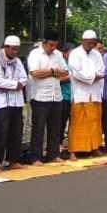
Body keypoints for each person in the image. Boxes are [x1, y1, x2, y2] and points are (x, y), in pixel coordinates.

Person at [26, 31, 69, 164]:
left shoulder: (57, 54)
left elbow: (65, 72)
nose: (53, 48)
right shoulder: (35, 54)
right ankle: (36, 157)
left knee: (55, 127)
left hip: (56, 95)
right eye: (50, 45)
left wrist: (51, 72)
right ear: (44, 43)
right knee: (38, 128)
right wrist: (52, 71)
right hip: (39, 96)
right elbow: (35, 73)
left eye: (55, 45)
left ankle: (53, 155)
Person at [0, 36, 27, 171]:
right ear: (6, 47)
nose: (15, 52)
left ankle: (13, 160)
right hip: (2, 102)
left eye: (17, 49)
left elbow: (24, 79)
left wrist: (14, 85)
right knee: (0, 132)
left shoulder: (18, 62)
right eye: (13, 49)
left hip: (16, 102)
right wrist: (15, 84)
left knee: (16, 131)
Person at [69, 30, 105, 157]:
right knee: (78, 122)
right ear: (82, 41)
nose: (91, 45)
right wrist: (92, 77)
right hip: (80, 93)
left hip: (94, 94)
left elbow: (101, 70)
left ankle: (94, 148)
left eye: (93, 43)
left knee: (95, 121)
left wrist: (95, 76)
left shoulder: (97, 54)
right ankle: (73, 151)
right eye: (89, 43)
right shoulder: (75, 54)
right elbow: (76, 73)